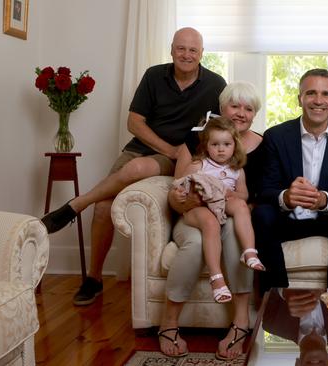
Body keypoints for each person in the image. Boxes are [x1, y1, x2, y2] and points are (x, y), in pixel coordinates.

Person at [40, 27, 226, 306]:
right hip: (143, 148)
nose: (186, 55)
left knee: (138, 169)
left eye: (193, 50)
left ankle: (75, 205)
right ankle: (94, 278)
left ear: (202, 53)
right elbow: (134, 123)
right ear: (172, 49)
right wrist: (167, 148)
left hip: (178, 157)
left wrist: (186, 155)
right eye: (181, 48)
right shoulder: (154, 75)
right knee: (103, 207)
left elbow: (221, 127)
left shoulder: (215, 84)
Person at [159, 81, 264, 360]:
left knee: (234, 239)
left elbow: (255, 196)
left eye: (248, 108)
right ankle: (169, 322)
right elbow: (176, 191)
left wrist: (234, 203)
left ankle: (240, 323)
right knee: (194, 243)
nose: (240, 113)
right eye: (234, 105)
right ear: (221, 108)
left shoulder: (262, 146)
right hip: (194, 216)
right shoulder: (196, 139)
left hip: (233, 214)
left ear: (255, 114)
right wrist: (189, 200)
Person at [252, 68, 328, 292]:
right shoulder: (276, 136)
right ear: (300, 99)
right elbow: (263, 189)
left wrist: (324, 199)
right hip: (288, 218)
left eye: (326, 94)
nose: (318, 100)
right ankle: (276, 299)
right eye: (311, 93)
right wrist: (286, 196)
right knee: (261, 214)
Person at [170, 116, 264, 304]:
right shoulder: (199, 165)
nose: (221, 149)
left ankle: (249, 252)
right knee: (210, 223)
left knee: (241, 206)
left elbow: (243, 195)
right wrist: (179, 194)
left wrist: (231, 193)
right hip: (198, 208)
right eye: (215, 144)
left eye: (226, 144)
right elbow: (179, 186)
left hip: (222, 203)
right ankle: (216, 279)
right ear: (206, 146)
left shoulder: (236, 170)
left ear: (234, 146)